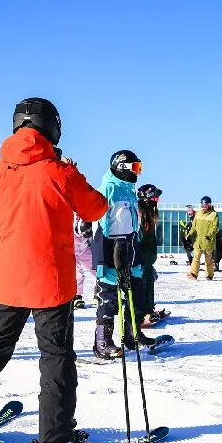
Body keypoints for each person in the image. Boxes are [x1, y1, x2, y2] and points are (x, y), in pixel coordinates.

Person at [0, 98, 107, 443]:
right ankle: (55, 440)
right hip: (50, 281)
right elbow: (95, 208)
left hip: (8, 279)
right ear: (52, 127)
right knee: (56, 359)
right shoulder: (59, 172)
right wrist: (71, 171)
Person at [93, 150, 156, 359]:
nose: (137, 172)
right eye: (135, 167)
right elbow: (99, 225)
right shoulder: (108, 189)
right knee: (109, 298)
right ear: (122, 167)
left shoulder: (129, 191)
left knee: (135, 296)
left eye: (139, 168)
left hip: (131, 251)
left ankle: (133, 335)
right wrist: (104, 257)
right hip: (111, 252)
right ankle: (103, 341)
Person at [136, 183, 168, 323]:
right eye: (156, 198)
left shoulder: (148, 214)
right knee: (142, 284)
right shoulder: (140, 215)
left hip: (147, 261)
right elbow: (138, 239)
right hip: (140, 261)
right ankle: (140, 312)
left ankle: (147, 309)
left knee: (148, 282)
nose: (157, 202)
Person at [187, 196, 218, 281]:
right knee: (196, 258)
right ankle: (193, 274)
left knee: (208, 259)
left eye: (205, 204)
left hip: (208, 240)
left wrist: (209, 234)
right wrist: (189, 234)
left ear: (209, 204)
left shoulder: (214, 214)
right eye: (202, 204)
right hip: (198, 240)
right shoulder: (198, 214)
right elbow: (194, 226)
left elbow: (215, 227)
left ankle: (209, 275)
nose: (203, 206)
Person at [71, 216, 95, 309]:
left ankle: (99, 291)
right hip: (72, 251)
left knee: (95, 268)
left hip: (84, 249)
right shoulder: (71, 226)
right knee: (78, 274)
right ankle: (77, 296)